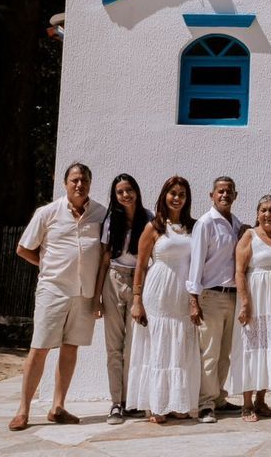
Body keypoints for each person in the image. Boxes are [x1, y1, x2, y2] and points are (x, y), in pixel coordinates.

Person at [9, 162, 107, 431]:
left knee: (70, 347)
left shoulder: (100, 214)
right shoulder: (48, 212)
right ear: (65, 183)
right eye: (75, 179)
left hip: (84, 293)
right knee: (39, 348)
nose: (80, 184)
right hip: (53, 290)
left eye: (84, 179)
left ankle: (58, 406)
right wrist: (48, 266)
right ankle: (23, 410)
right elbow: (23, 249)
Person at [126, 176, 201, 423]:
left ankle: (178, 403)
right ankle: (156, 405)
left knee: (180, 345)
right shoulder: (154, 227)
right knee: (158, 346)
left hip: (182, 293)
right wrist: (137, 300)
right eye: (173, 193)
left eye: (182, 194)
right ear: (164, 196)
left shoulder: (194, 227)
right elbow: (140, 265)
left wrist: (194, 299)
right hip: (158, 292)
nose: (177, 198)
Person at [92, 173, 153, 424]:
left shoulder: (148, 219)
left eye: (129, 190)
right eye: (120, 192)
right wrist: (97, 297)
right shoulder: (110, 221)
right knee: (114, 346)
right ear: (115, 196)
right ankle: (116, 402)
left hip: (140, 281)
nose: (125, 195)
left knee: (133, 347)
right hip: (114, 279)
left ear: (136, 191)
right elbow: (105, 259)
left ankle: (131, 400)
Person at [187, 176, 246, 423]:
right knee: (209, 352)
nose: (224, 195)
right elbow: (196, 263)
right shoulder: (205, 223)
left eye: (229, 191)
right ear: (211, 195)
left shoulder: (236, 224)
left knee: (225, 353)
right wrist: (194, 300)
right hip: (211, 296)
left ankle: (220, 398)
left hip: (232, 297)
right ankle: (205, 404)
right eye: (220, 191)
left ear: (235, 195)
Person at [228, 195, 271, 421]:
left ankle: (261, 400)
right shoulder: (249, 236)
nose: (268, 214)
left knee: (270, 347)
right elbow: (239, 271)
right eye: (264, 210)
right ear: (257, 214)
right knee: (251, 348)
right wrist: (245, 303)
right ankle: (246, 404)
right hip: (255, 301)